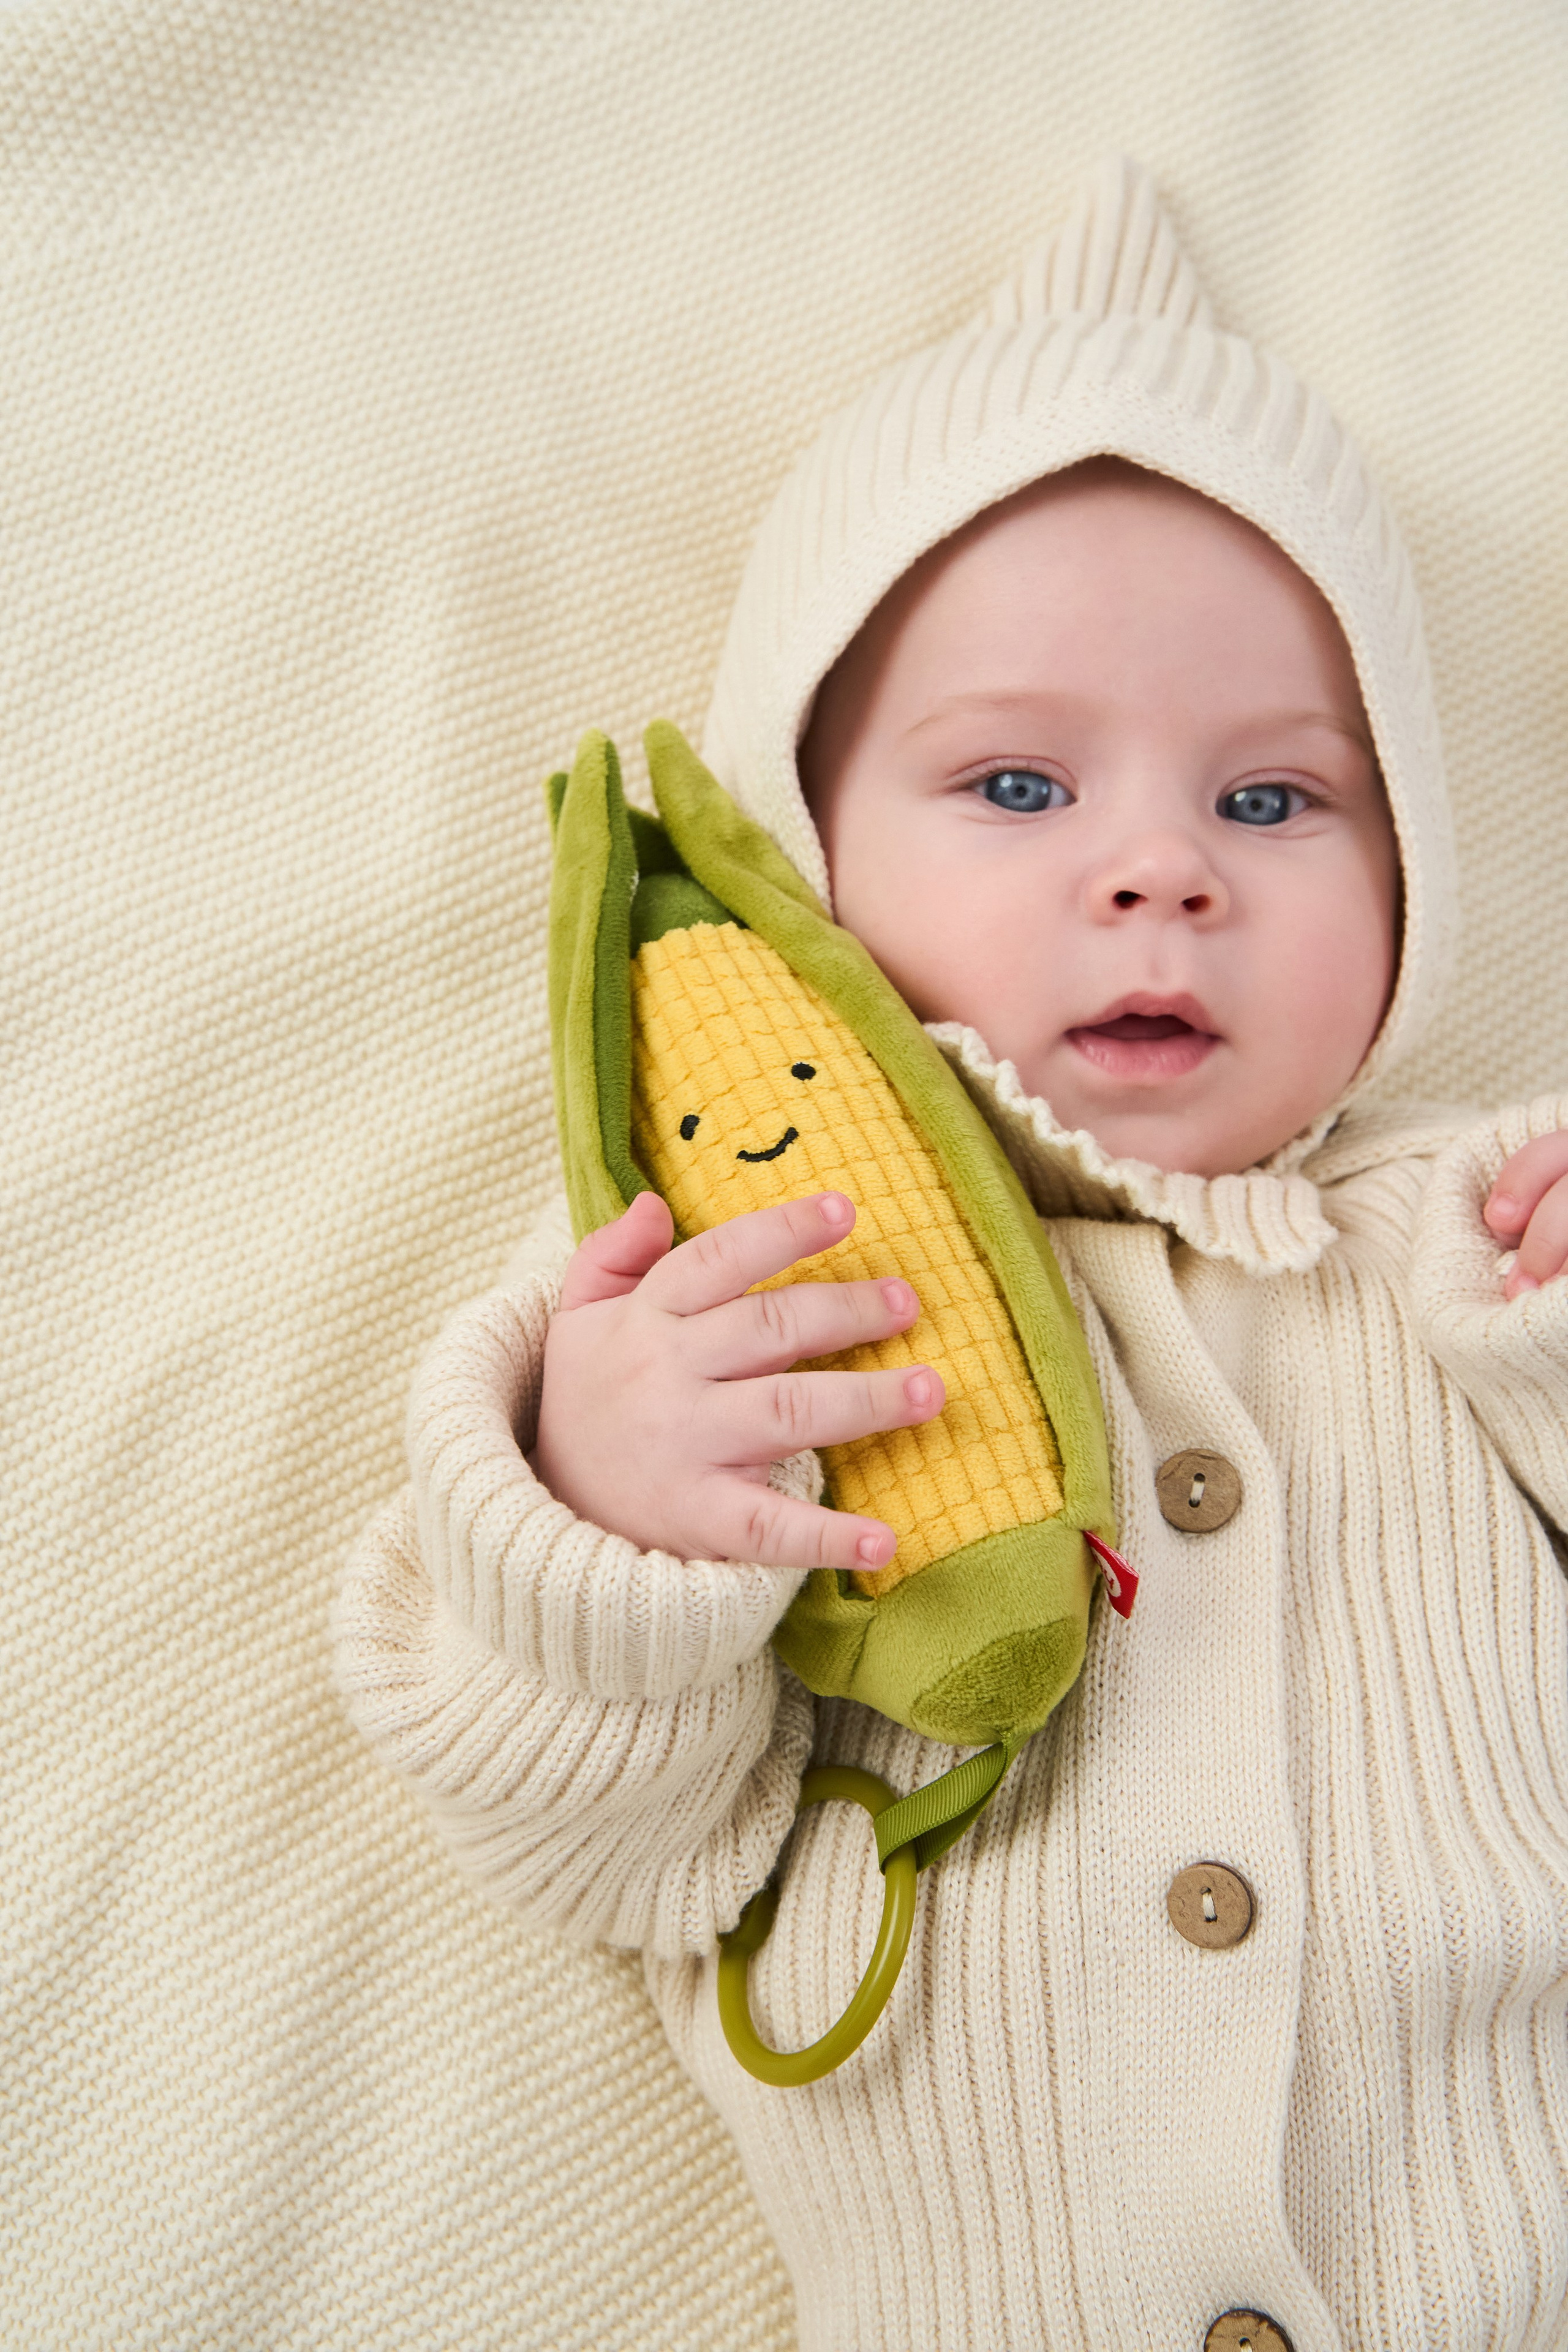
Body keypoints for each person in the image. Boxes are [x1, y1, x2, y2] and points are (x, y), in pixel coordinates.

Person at [334, 160, 1568, 2351]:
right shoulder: (729, 1294)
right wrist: (613, 1530)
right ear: (800, 859)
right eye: (1016, 787)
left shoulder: (1462, 1246)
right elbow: (617, 1864)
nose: (1163, 870)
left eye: (1273, 801)